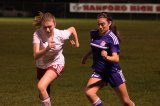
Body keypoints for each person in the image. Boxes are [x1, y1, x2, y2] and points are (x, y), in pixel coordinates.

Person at [81, 12, 135, 106]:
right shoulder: (94, 33)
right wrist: (85, 56)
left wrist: (106, 57)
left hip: (113, 72)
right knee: (89, 92)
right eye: (99, 24)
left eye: (103, 24)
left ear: (109, 23)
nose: (100, 27)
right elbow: (94, 47)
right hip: (100, 72)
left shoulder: (112, 38)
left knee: (126, 102)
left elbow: (116, 58)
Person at [32, 12, 79, 106]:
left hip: (57, 63)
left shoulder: (61, 34)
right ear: (41, 25)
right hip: (41, 65)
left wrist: (77, 43)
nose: (48, 29)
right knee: (43, 93)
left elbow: (72, 29)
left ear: (55, 24)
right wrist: (47, 48)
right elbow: (36, 55)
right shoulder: (37, 34)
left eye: (50, 26)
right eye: (45, 27)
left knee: (41, 87)